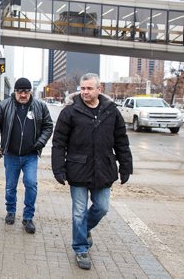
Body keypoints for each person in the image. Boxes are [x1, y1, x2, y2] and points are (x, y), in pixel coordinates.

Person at [51, 73, 132, 270]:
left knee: (102, 207)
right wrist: (58, 168)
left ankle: (84, 230)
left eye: (89, 88)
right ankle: (80, 248)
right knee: (78, 212)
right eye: (82, 88)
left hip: (104, 168)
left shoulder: (111, 111)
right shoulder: (70, 112)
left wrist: (126, 165)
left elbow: (121, 140)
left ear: (99, 89)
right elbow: (59, 142)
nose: (85, 92)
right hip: (78, 169)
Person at [0, 77, 53, 233]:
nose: (23, 95)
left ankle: (28, 217)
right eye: (20, 91)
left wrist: (40, 143)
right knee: (11, 187)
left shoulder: (40, 106)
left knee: (31, 184)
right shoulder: (4, 105)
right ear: (15, 92)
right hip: (11, 154)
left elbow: (48, 126)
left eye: (26, 91)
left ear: (30, 91)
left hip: (30, 155)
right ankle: (11, 211)